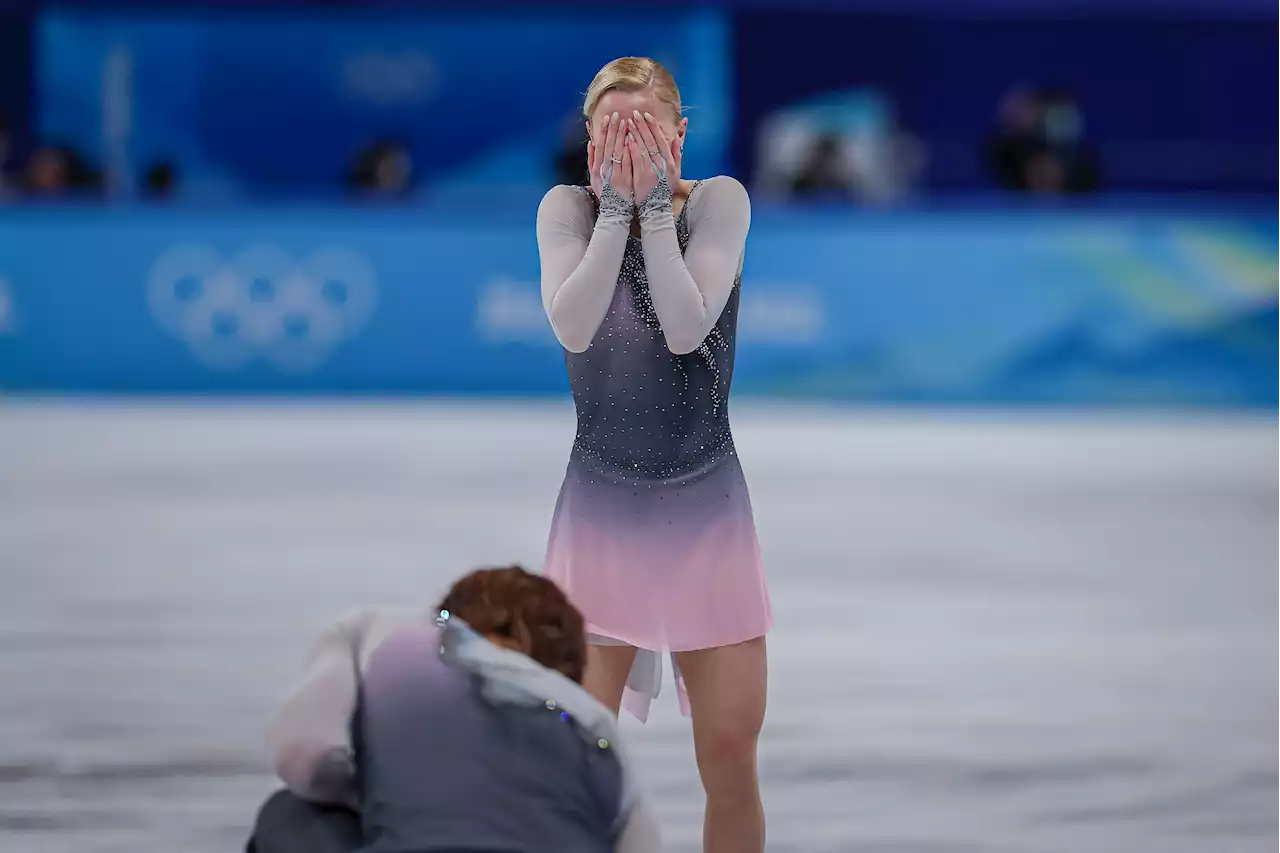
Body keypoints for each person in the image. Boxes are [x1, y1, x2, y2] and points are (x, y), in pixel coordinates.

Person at [536, 56, 771, 853]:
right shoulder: (563, 209)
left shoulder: (719, 203)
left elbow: (683, 326)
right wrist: (612, 216)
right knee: (571, 761)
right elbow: (572, 326)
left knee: (730, 754)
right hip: (600, 511)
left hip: (707, 511)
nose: (627, 142)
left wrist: (652, 217)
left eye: (644, 127)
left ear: (680, 132)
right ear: (587, 137)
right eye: (610, 128)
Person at [246, 565, 660, 853]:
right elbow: (634, 835)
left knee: (289, 812)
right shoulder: (586, 718)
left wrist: (393, 793)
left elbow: (305, 757)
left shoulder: (374, 634)